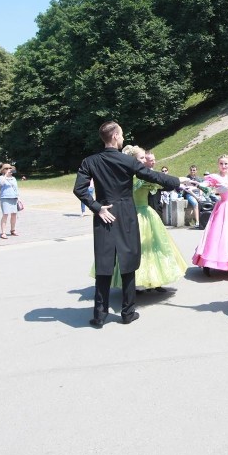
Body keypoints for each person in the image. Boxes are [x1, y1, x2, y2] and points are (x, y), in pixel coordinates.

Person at [73, 121, 182, 329]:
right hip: (125, 215)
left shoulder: (90, 161)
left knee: (104, 264)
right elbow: (152, 175)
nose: (123, 138)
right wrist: (176, 182)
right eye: (121, 134)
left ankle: (99, 315)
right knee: (128, 263)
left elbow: (79, 189)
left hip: (104, 214)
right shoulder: (126, 161)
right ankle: (127, 312)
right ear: (114, 136)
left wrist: (97, 207)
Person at [106, 146, 187, 293]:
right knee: (139, 249)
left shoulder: (143, 175)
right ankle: (136, 282)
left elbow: (161, 182)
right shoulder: (132, 177)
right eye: (141, 158)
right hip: (134, 215)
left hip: (147, 214)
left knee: (154, 246)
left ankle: (155, 280)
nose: (145, 160)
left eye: (145, 158)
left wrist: (183, 182)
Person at [0, 162, 20, 238]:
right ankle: (3, 232)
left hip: (13, 198)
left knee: (14, 214)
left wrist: (18, 197)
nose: (8, 169)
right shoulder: (1, 177)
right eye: (6, 168)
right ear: (3, 170)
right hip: (5, 198)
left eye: (9, 168)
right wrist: (5, 176)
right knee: (5, 215)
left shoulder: (13, 178)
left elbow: (16, 188)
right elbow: (1, 183)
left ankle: (13, 230)